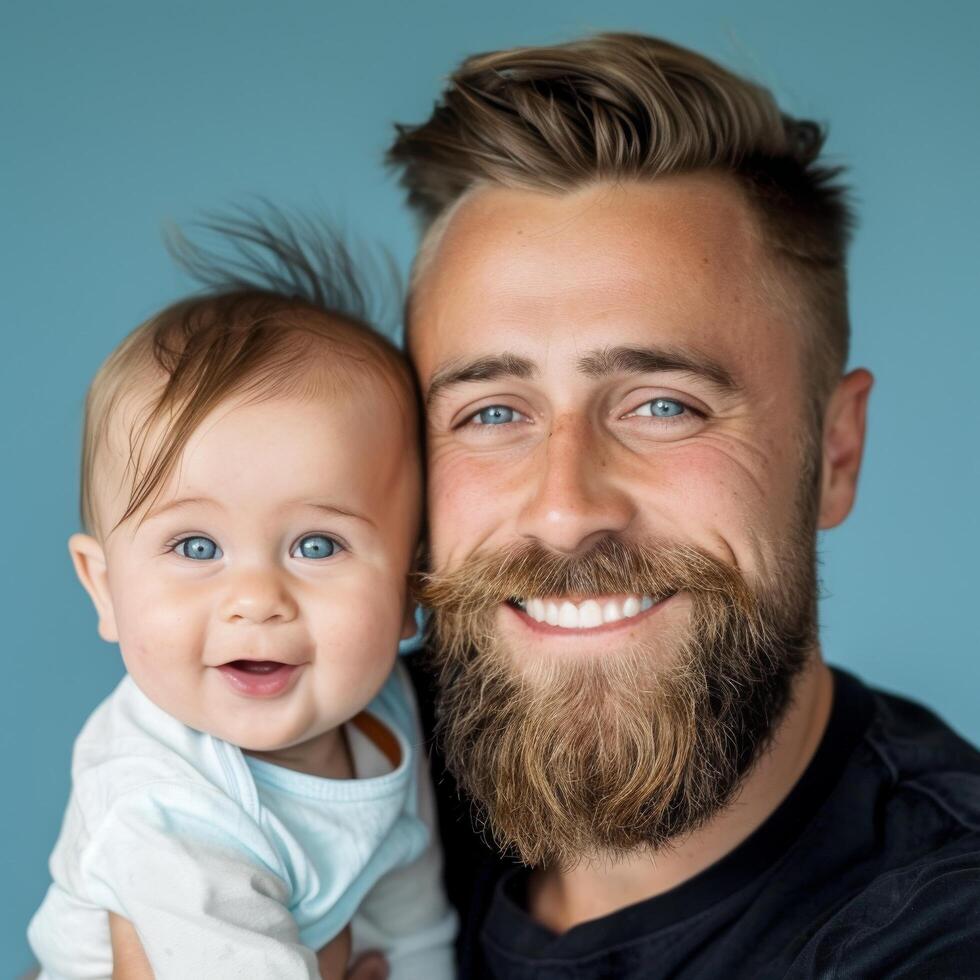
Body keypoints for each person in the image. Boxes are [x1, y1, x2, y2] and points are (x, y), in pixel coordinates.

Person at [381, 32, 980, 977]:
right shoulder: (324, 751)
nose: (566, 509)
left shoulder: (941, 927)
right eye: (493, 411)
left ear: (835, 452)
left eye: (665, 406)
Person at [27, 219, 457, 979]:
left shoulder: (386, 707)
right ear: (105, 590)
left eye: (317, 545)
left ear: (409, 593)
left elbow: (415, 919)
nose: (256, 600)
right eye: (196, 548)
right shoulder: (162, 806)